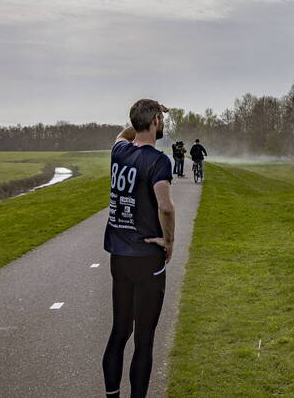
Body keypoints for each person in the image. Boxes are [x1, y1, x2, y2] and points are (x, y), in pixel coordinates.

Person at [102, 99, 175, 398]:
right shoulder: (159, 161)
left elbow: (124, 134)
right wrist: (168, 241)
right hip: (146, 257)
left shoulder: (119, 151)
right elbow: (166, 208)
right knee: (144, 340)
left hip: (119, 256)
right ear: (157, 120)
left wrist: (142, 115)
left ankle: (112, 395)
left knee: (120, 331)